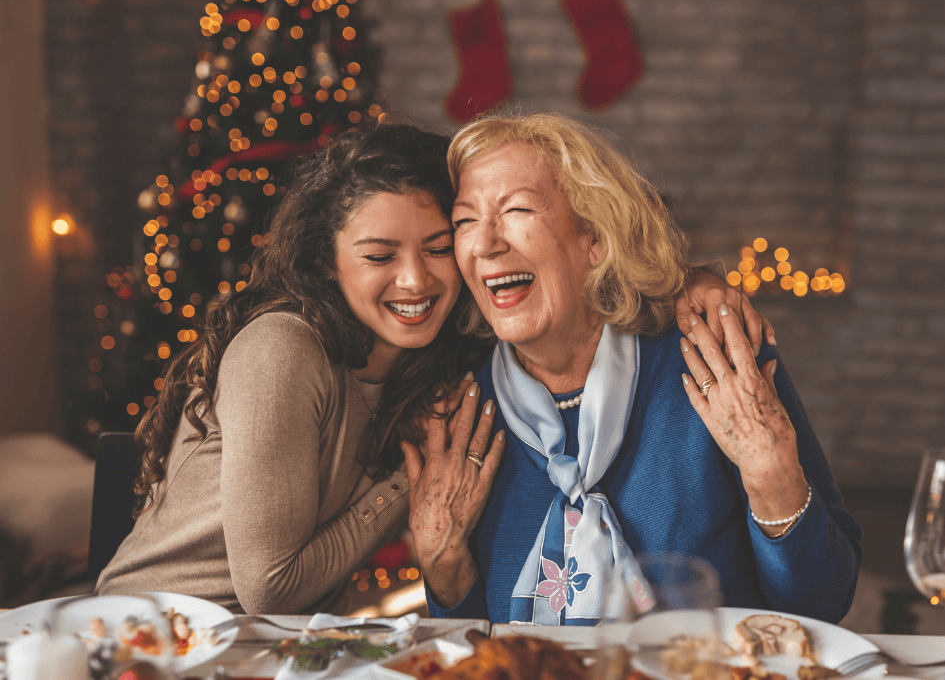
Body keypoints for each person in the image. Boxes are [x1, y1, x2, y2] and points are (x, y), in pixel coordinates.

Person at [95, 120, 757, 614]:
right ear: (328, 262)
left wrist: (688, 285)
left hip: (283, 647)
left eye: (439, 246)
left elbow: (584, 272)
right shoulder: (284, 350)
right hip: (159, 635)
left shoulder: (446, 355)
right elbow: (270, 589)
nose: (415, 281)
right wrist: (403, 485)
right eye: (379, 256)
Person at [406, 113, 861, 626]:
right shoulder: (463, 406)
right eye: (464, 221)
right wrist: (443, 566)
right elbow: (467, 646)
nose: (485, 243)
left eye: (517, 210)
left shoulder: (712, 356)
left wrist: (772, 477)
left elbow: (824, 604)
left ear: (595, 238)